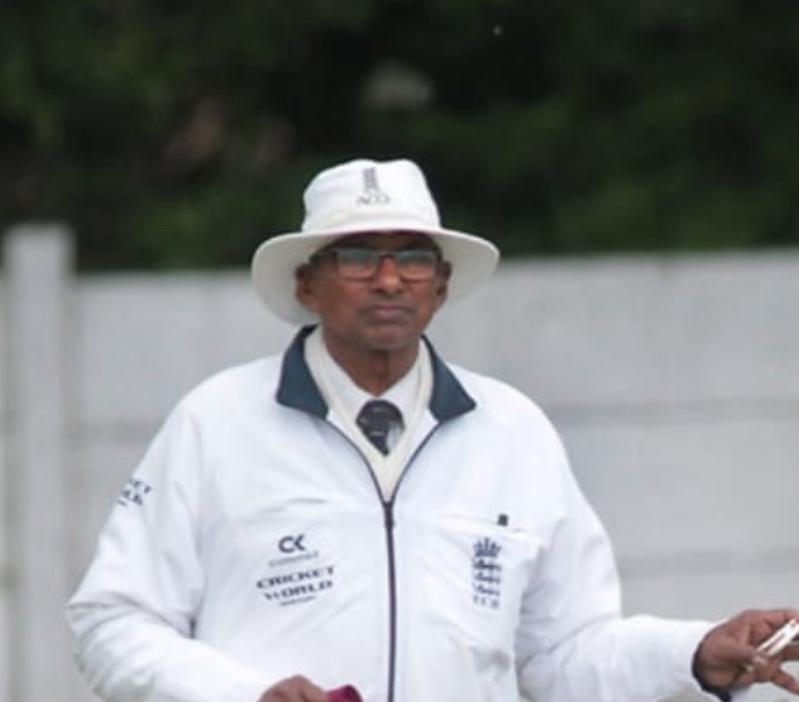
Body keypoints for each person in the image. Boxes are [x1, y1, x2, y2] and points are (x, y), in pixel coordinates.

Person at [67, 158, 799, 702]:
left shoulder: (511, 432)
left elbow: (563, 655)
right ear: (306, 284)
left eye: (413, 257)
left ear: (441, 285)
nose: (389, 279)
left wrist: (693, 652)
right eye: (357, 255)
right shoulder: (215, 423)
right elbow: (112, 623)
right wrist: (243, 696)